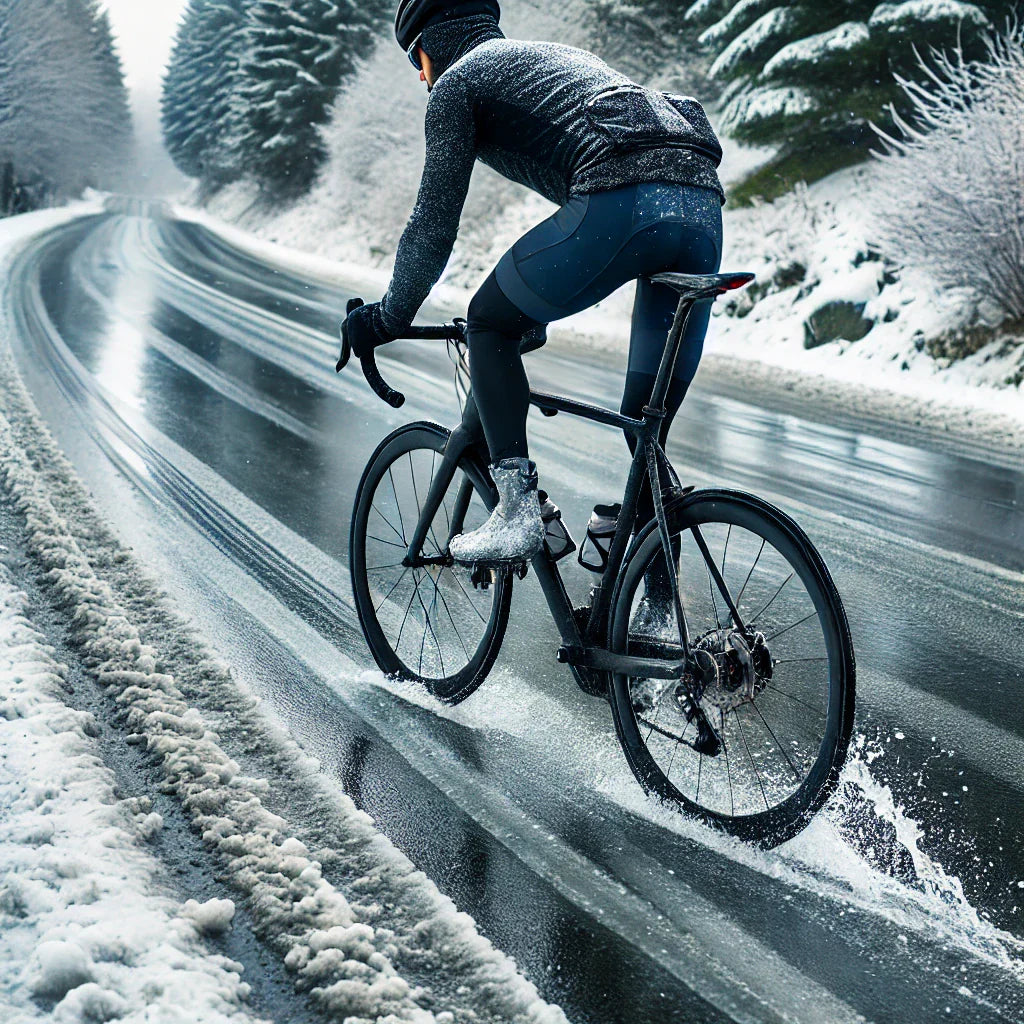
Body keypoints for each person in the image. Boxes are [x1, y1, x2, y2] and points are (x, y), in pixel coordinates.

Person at [343, 0, 725, 569]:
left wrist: (388, 317)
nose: (422, 78)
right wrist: (536, 313)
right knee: (644, 426)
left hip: (627, 200)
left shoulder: (458, 84)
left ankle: (517, 512)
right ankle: (656, 608)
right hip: (701, 209)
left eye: (415, 63)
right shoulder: (550, 61)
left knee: (488, 321)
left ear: (429, 45)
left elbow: (433, 222)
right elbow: (574, 214)